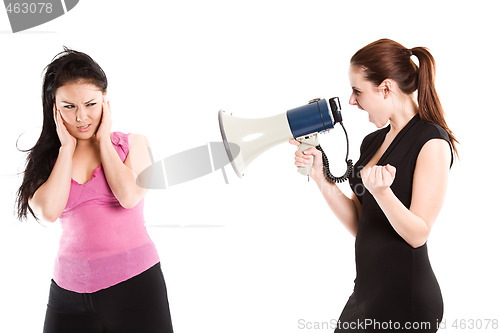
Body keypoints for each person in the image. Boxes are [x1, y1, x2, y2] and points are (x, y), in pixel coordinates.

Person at [291, 39, 457, 332]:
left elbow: (418, 233)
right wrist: (320, 176)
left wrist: (383, 193)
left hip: (405, 302)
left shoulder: (431, 141)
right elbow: (361, 222)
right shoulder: (372, 142)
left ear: (386, 88)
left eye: (357, 91)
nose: (352, 101)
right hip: (366, 295)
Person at [16, 48, 174, 333]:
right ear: (53, 107)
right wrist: (66, 150)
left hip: (136, 288)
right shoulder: (46, 162)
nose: (81, 117)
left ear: (105, 101)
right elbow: (49, 212)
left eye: (90, 104)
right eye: (68, 106)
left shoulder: (134, 144)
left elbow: (128, 196)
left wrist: (104, 141)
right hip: (68, 296)